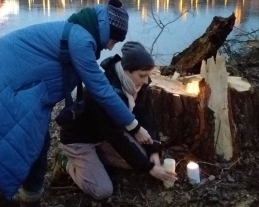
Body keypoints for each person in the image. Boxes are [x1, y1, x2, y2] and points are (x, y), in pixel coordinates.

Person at [0, 0, 154, 207]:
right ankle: (13, 199)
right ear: (106, 30)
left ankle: (8, 197)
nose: (110, 47)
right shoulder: (81, 40)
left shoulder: (78, 32)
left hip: (21, 88)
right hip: (11, 87)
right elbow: (101, 89)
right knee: (28, 144)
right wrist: (133, 125)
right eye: (113, 39)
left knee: (25, 144)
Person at [53, 41, 177, 200]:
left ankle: (94, 160)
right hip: (79, 139)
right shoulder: (105, 92)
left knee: (141, 159)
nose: (146, 81)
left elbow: (143, 115)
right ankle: (65, 162)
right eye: (142, 76)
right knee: (102, 191)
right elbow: (116, 136)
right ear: (127, 71)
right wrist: (149, 168)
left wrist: (153, 151)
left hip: (103, 137)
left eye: (148, 76)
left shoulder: (136, 85)